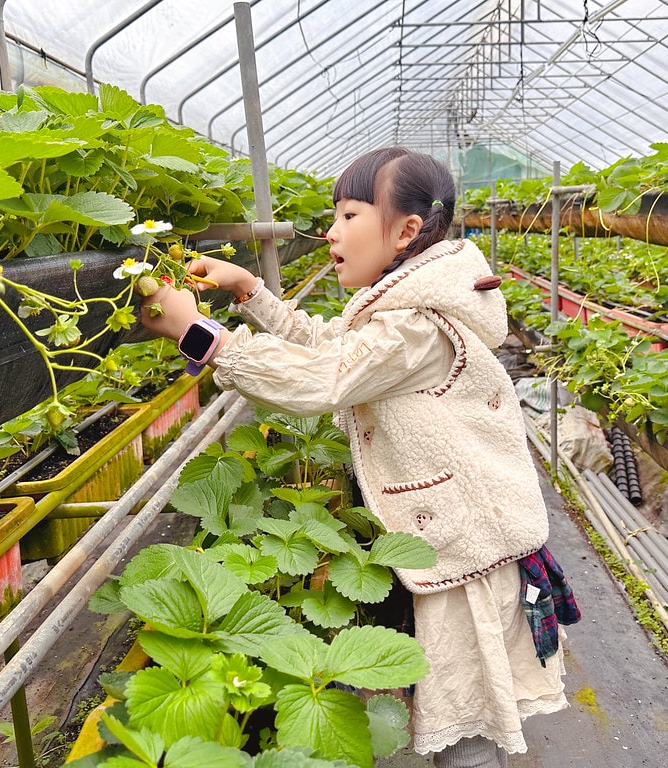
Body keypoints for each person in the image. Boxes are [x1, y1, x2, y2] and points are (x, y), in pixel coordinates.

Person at [140, 146, 573, 768]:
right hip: (451, 536)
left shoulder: (418, 328)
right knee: (455, 710)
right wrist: (251, 292)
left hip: (465, 551)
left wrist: (200, 335)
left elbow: (324, 379)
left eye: (348, 216)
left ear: (404, 232)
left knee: (466, 725)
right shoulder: (402, 310)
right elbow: (335, 346)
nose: (330, 232)